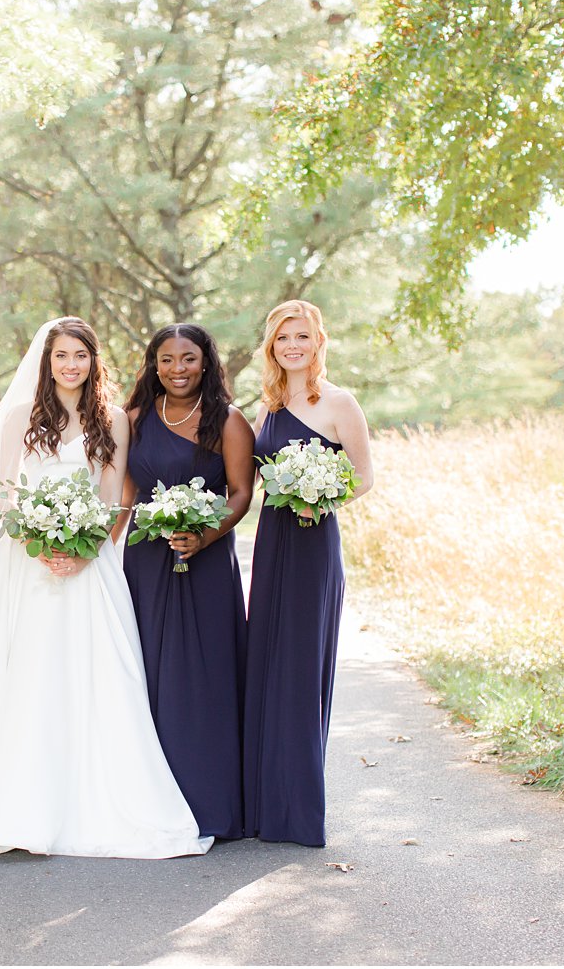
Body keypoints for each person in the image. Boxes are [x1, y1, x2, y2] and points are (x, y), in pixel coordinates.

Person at [0, 317, 212, 860]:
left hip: (89, 568)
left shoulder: (112, 419)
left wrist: (82, 552)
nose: (70, 365)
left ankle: (85, 803)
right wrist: (41, 545)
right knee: (18, 677)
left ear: (93, 361)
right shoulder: (20, 418)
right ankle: (10, 807)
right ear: (48, 361)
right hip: (26, 565)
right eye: (61, 356)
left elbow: (114, 500)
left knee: (95, 679)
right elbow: (6, 495)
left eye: (79, 356)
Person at [243, 299, 374, 846]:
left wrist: (320, 499)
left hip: (313, 543)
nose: (292, 346)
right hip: (272, 543)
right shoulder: (268, 407)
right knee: (266, 665)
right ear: (272, 347)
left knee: (299, 670)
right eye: (282, 338)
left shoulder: (340, 402)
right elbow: (247, 475)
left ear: (319, 341)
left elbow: (364, 477)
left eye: (301, 336)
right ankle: (261, 806)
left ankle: (296, 814)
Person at [117, 324, 253, 840]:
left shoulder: (229, 421)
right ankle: (150, 802)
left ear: (206, 362)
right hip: (146, 561)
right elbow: (126, 494)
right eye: (167, 359)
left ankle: (210, 803)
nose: (178, 369)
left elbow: (241, 494)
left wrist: (204, 535)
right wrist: (101, 556)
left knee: (204, 675)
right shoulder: (134, 419)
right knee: (147, 672)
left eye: (189, 359)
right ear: (153, 364)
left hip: (207, 563)